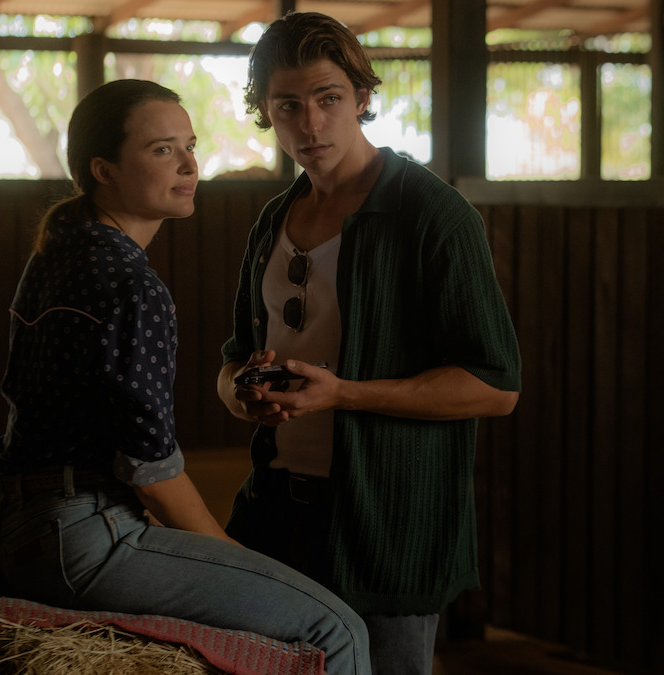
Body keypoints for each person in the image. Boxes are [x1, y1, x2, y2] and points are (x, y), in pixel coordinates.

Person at [0, 79, 370, 675]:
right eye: (163, 150)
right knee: (336, 629)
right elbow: (151, 471)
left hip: (7, 527)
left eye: (190, 146)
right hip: (80, 536)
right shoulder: (133, 285)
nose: (189, 165)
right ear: (103, 170)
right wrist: (230, 552)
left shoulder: (58, 252)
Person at [215, 12, 522, 673]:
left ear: (360, 97)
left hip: (387, 524)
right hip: (274, 514)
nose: (311, 124)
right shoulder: (274, 218)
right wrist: (241, 395)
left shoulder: (432, 214)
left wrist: (344, 394)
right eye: (288, 105)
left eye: (327, 98)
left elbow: (496, 387)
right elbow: (233, 355)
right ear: (266, 113)